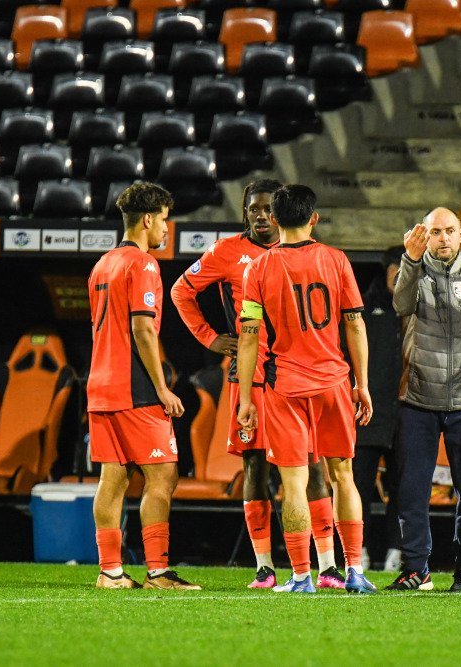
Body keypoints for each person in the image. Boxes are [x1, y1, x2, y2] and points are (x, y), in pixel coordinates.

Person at [171, 179, 345, 589]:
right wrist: (210, 338)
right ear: (244, 212)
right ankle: (264, 567)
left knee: (311, 464)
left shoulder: (303, 252)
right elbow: (181, 291)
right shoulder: (226, 252)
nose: (262, 216)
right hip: (250, 375)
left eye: (269, 209)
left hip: (295, 375)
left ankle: (326, 565)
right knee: (255, 465)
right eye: (254, 209)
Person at [236, 184, 377, 594]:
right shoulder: (336, 260)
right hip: (333, 383)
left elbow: (248, 337)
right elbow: (354, 324)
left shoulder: (256, 269)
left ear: (274, 218)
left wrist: (245, 398)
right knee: (344, 476)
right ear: (313, 218)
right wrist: (362, 384)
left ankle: (301, 577)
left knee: (294, 483)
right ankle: (354, 570)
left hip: (286, 387)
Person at [87, 182, 199, 590]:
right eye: (165, 220)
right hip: (134, 389)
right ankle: (158, 572)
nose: (167, 229)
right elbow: (142, 329)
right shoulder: (143, 264)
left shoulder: (103, 264)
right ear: (148, 219)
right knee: (163, 475)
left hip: (100, 386)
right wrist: (163, 388)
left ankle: (110, 572)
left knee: (112, 479)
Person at [387, 208, 461, 594]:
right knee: (411, 491)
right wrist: (409, 259)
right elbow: (401, 305)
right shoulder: (414, 273)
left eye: (450, 231)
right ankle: (416, 569)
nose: (443, 238)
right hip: (419, 398)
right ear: (425, 236)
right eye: (435, 232)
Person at [354, 245, 405, 571]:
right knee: (358, 486)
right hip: (366, 414)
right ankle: (356, 552)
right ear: (386, 271)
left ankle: (396, 554)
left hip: (407, 414)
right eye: (397, 271)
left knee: (403, 488)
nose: (402, 279)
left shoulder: (421, 308)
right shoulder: (362, 308)